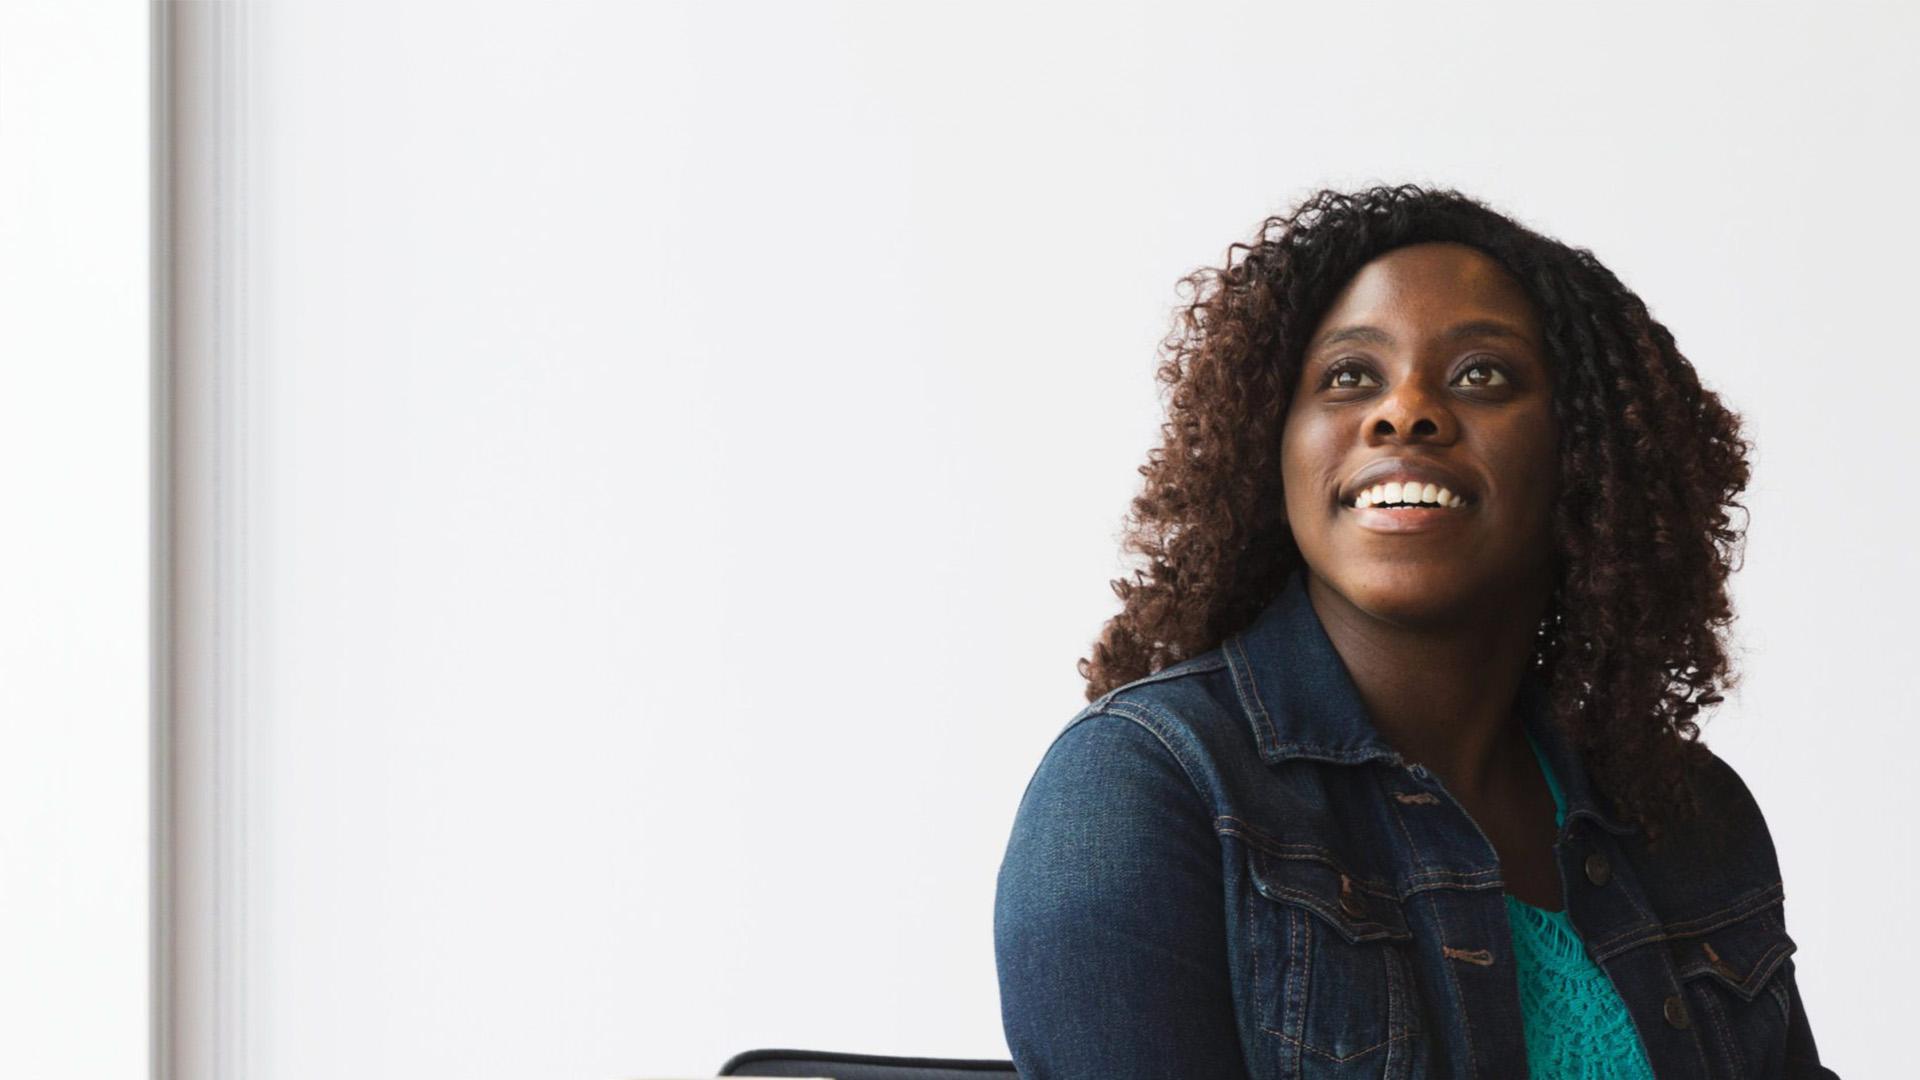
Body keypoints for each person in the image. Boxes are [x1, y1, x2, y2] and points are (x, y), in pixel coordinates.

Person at [992, 184, 1838, 1079]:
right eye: (1350, 375)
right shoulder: (1143, 788)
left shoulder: (1689, 817)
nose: (1406, 412)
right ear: (1271, 446)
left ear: (1582, 454)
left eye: (1482, 374)